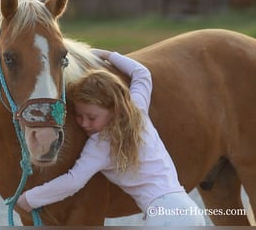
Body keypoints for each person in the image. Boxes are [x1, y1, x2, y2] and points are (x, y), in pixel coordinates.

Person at [15, 49, 206, 226]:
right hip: (188, 209)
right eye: (79, 116)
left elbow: (73, 181)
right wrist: (105, 54)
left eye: (92, 117)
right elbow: (142, 74)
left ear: (114, 110)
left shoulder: (101, 145)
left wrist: (30, 199)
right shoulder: (138, 111)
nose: (84, 123)